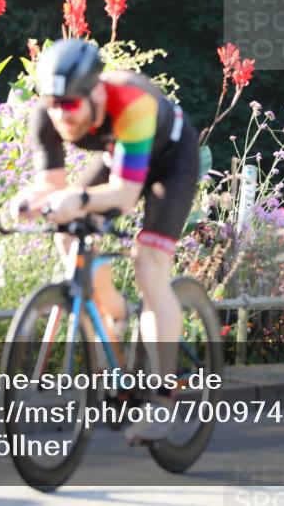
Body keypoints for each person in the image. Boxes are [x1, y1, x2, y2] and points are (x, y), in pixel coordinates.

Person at [11, 38, 200, 444]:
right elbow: (51, 183)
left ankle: (163, 400)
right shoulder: (49, 113)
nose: (61, 116)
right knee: (67, 232)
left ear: (96, 92)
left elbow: (125, 195)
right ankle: (111, 315)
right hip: (123, 156)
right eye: (53, 104)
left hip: (171, 162)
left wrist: (76, 200)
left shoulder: (132, 104)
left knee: (149, 266)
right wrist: (28, 201)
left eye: (70, 105)